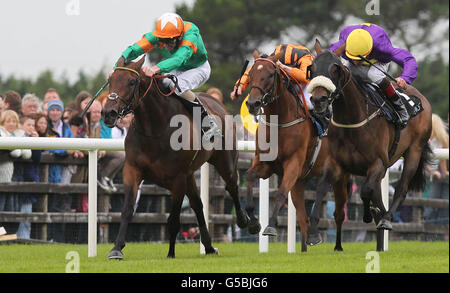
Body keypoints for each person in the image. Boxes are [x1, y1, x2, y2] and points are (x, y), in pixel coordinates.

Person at [111, 12, 219, 140]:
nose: (166, 45)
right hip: (176, 68)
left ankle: (207, 123)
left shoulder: (191, 32)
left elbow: (179, 58)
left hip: (198, 68)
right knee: (158, 85)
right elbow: (134, 50)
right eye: (163, 40)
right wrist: (116, 68)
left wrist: (156, 68)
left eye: (169, 41)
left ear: (180, 36)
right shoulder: (158, 35)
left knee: (174, 85)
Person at [328, 23, 417, 129]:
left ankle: (399, 107)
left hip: (377, 61)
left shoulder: (382, 47)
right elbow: (325, 58)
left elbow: (408, 59)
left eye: (359, 60)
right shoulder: (343, 42)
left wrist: (405, 78)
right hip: (356, 51)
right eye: (354, 59)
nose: (356, 63)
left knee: (373, 75)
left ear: (369, 50)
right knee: (343, 71)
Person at [230, 43, 326, 127]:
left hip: (306, 82)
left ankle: (322, 126)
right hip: (290, 79)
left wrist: (284, 67)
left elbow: (304, 78)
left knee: (308, 104)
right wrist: (238, 88)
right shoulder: (272, 58)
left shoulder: (306, 58)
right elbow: (253, 71)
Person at [46, 99, 81, 242]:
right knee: (50, 205)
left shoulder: (66, 127)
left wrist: (74, 151)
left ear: (61, 112)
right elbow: (48, 147)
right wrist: (66, 151)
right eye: (52, 110)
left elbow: (71, 143)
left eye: (57, 110)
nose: (55, 112)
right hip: (51, 172)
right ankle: (48, 237)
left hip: (65, 172)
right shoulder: (46, 127)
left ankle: (59, 239)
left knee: (61, 205)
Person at [16, 115, 41, 239]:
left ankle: (24, 238)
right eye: (28, 125)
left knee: (26, 215)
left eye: (33, 125)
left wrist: (36, 143)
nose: (31, 128)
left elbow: (37, 159)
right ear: (21, 126)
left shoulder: (33, 139)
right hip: (17, 180)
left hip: (29, 181)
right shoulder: (16, 138)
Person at [424, 114, 449, 229]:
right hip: (427, 170)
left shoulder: (442, 139)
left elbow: (442, 158)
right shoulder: (424, 138)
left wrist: (444, 172)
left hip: (436, 169)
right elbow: (423, 160)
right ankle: (427, 224)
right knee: (432, 199)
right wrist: (432, 171)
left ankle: (440, 227)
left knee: (443, 198)